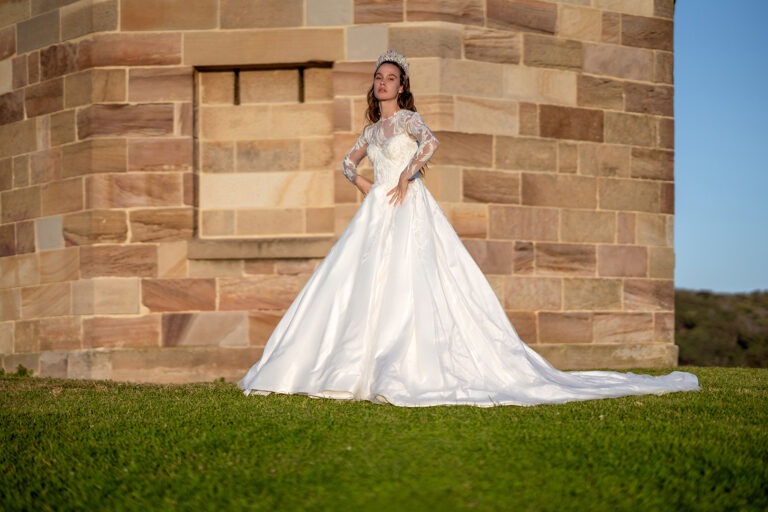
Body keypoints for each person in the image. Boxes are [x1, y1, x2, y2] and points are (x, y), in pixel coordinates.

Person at [238, 50, 699, 406]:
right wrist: (365, 184)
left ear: (402, 86)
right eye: (378, 78)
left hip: (409, 206)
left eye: (390, 78)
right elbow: (345, 161)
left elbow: (432, 142)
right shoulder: (371, 131)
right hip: (378, 210)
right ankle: (344, 367)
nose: (382, 84)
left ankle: (403, 366)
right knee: (354, 286)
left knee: (412, 282)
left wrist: (405, 174)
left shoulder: (408, 120)